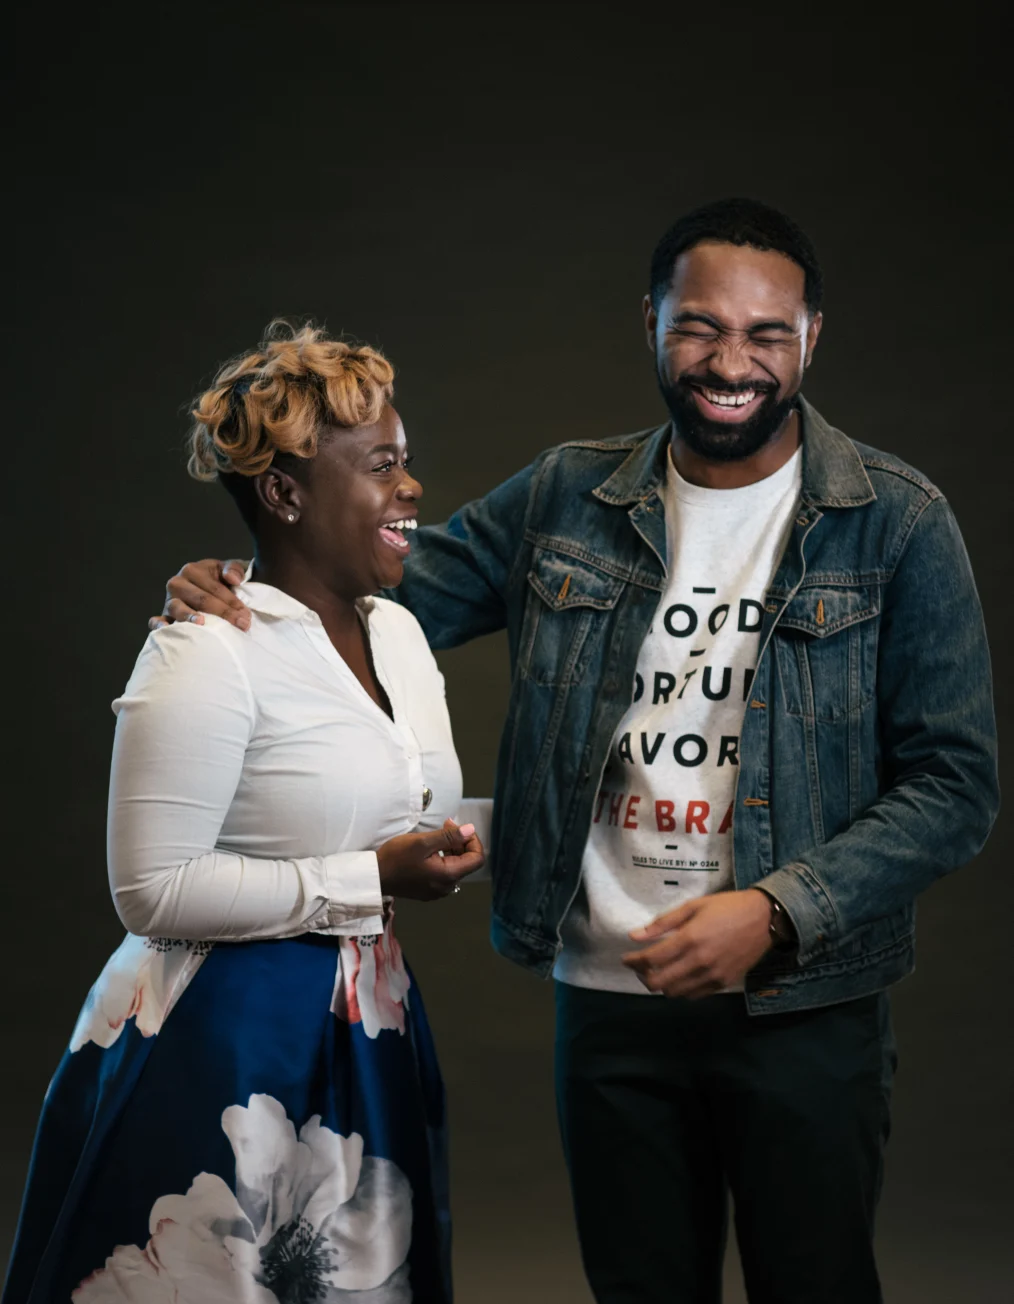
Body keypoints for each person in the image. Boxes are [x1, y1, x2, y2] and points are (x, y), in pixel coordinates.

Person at [147, 199, 999, 1304]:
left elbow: (956, 784)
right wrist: (231, 585)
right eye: (698, 326)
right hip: (609, 1005)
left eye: (766, 333)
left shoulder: (896, 521)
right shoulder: (566, 497)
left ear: (812, 337)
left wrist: (779, 909)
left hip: (804, 1008)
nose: (730, 361)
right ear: (649, 320)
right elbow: (363, 578)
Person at [3, 324, 485, 1304]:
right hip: (226, 1049)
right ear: (283, 491)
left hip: (370, 1026)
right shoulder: (207, 646)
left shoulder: (397, 631)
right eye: (381, 464)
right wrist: (371, 876)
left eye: (409, 459)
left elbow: (397, 815)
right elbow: (151, 889)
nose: (412, 486)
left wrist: (444, 848)